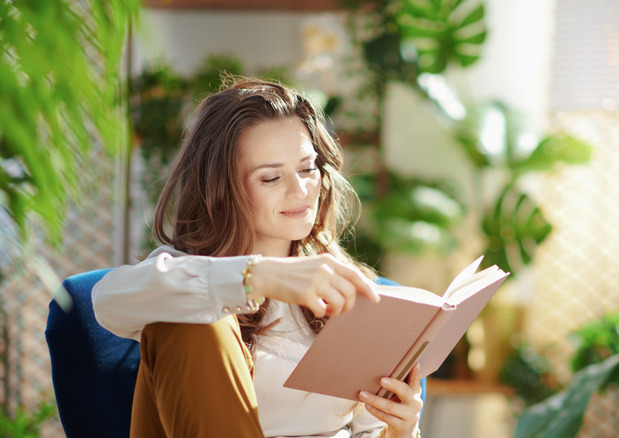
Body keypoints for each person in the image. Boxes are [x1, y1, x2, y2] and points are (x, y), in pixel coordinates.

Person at [92, 77, 423, 438]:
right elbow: (106, 300)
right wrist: (259, 276)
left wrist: (401, 430)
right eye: (270, 178)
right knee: (192, 314)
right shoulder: (184, 277)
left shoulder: (348, 291)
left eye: (307, 168)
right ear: (224, 189)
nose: (300, 190)